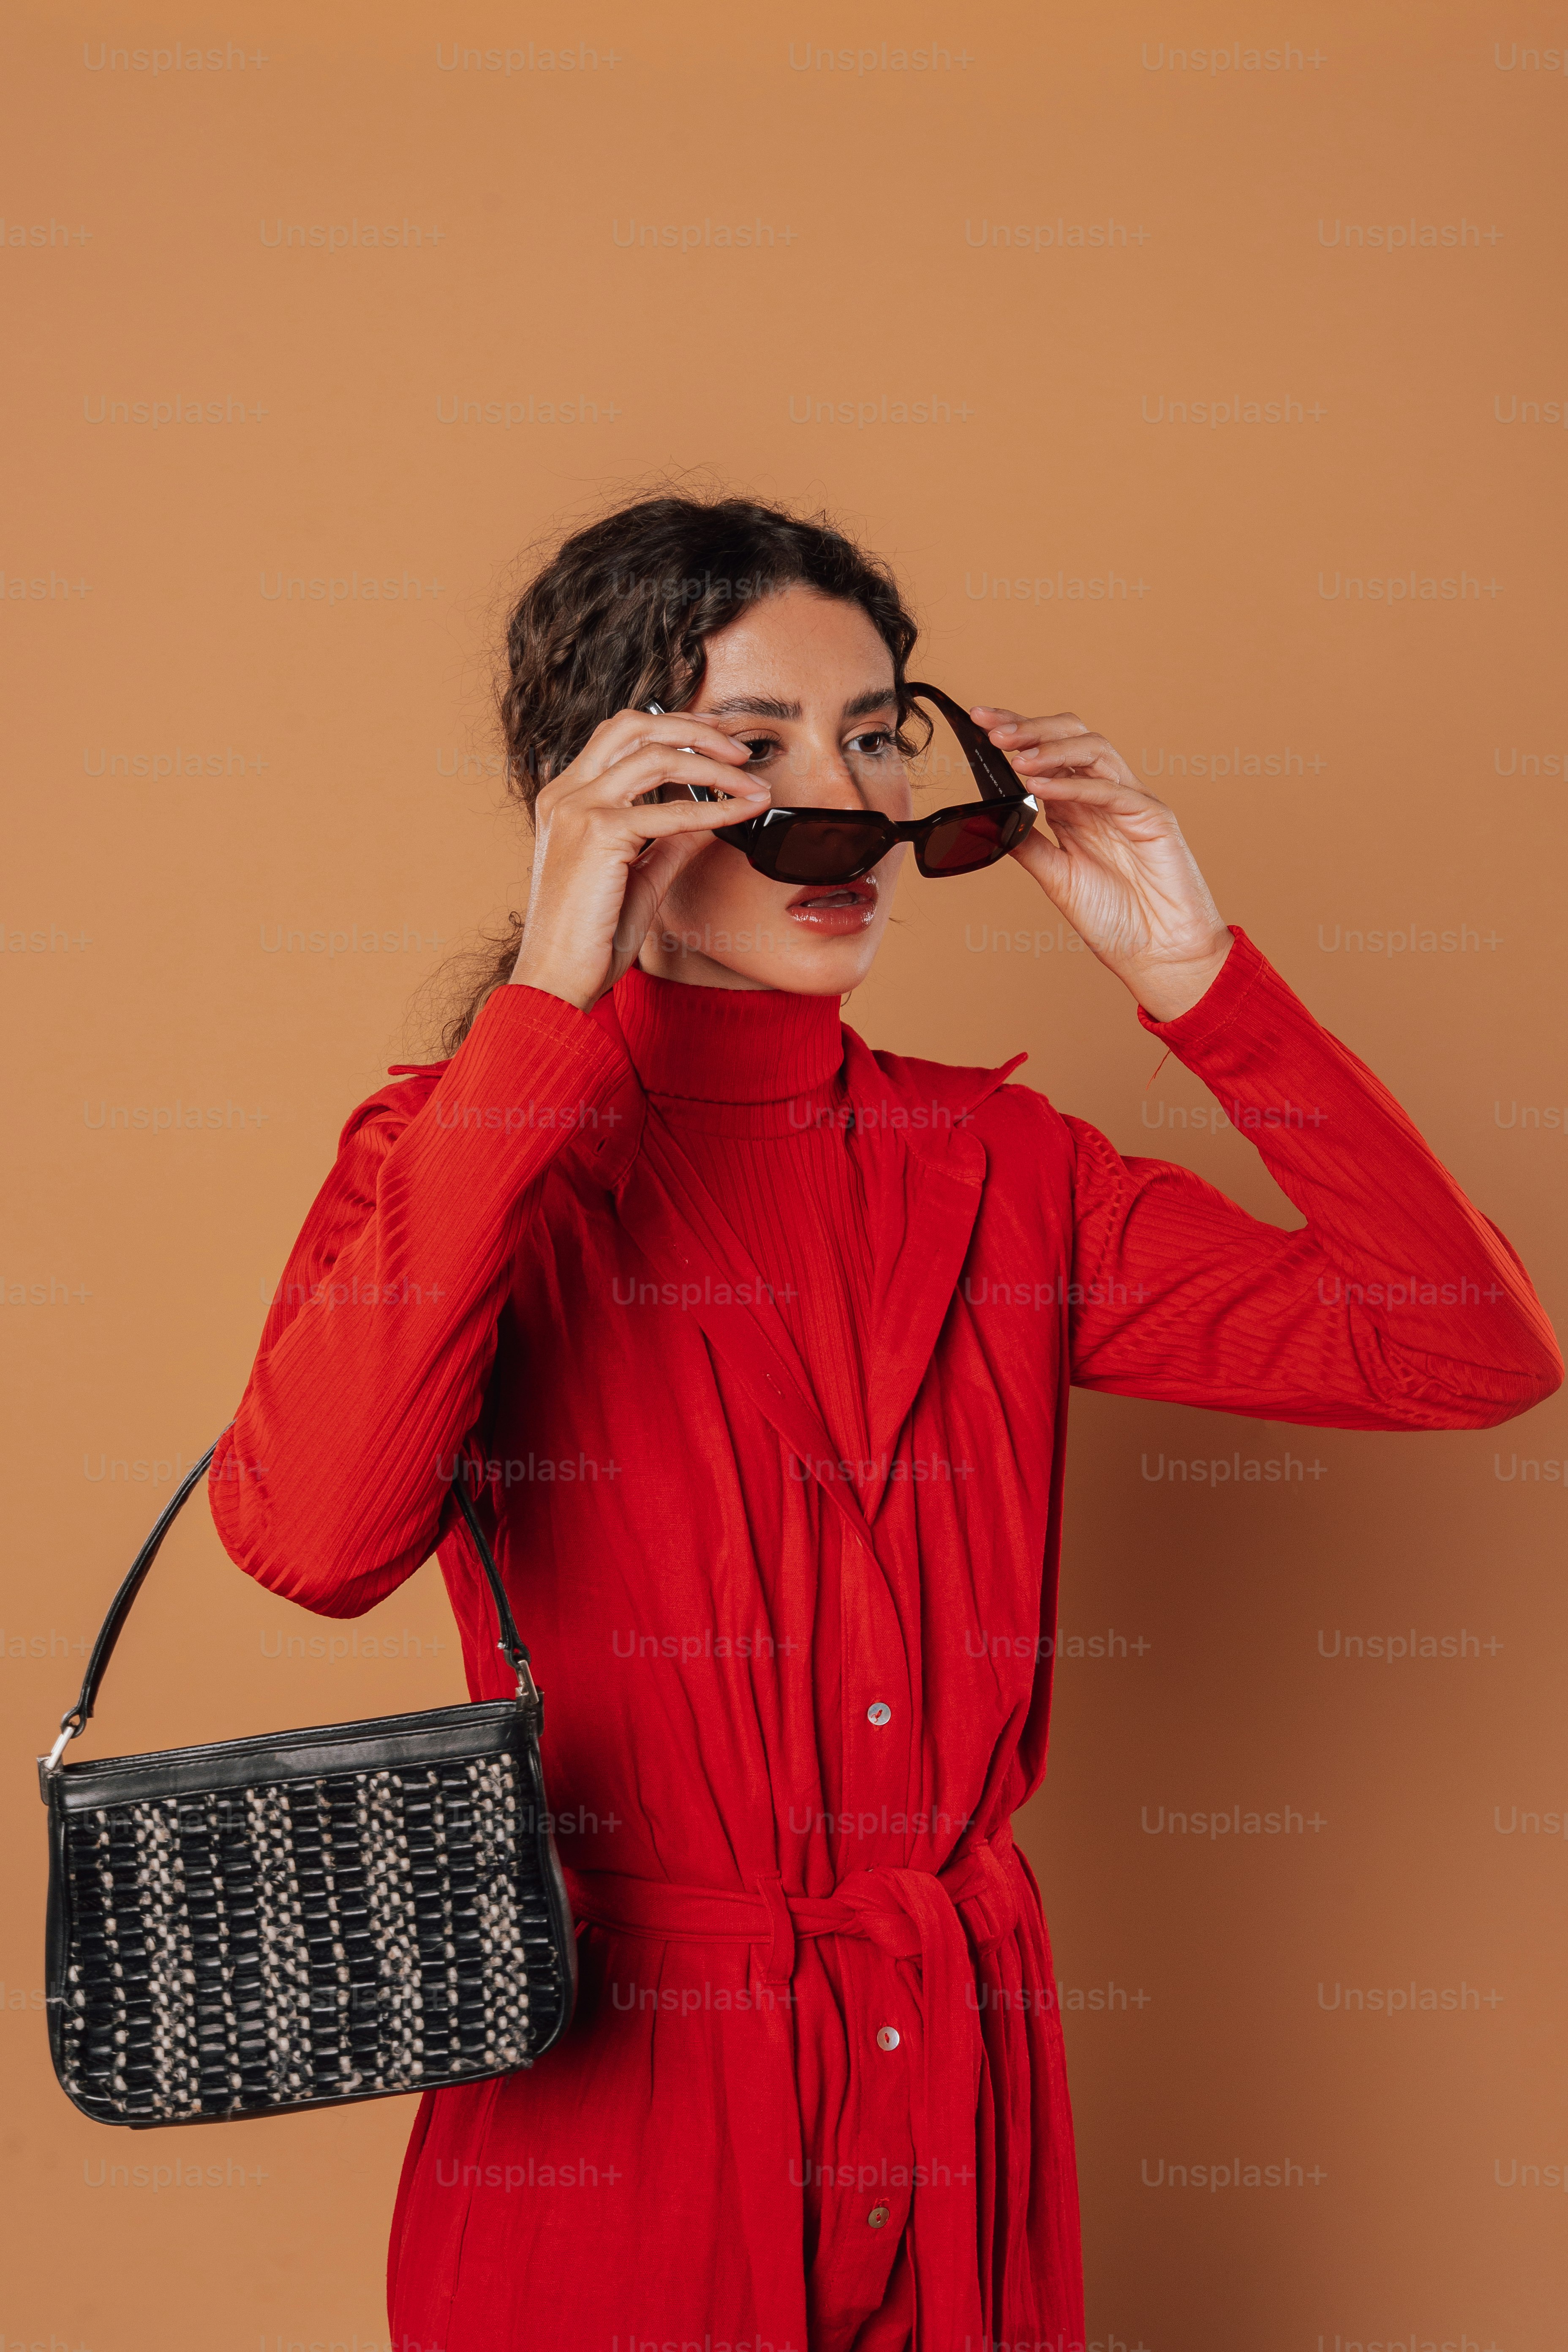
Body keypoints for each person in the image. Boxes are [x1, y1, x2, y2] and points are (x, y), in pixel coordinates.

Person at [211, 493, 1561, 2352]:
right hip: (624, 2092)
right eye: (746, 752)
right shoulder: (463, 1166)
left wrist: (1196, 978)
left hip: (963, 2076)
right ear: (604, 796)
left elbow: (1461, 1353)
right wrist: (545, 999)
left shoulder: (1010, 1172)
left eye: (872, 737)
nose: (836, 809)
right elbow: (312, 1540)